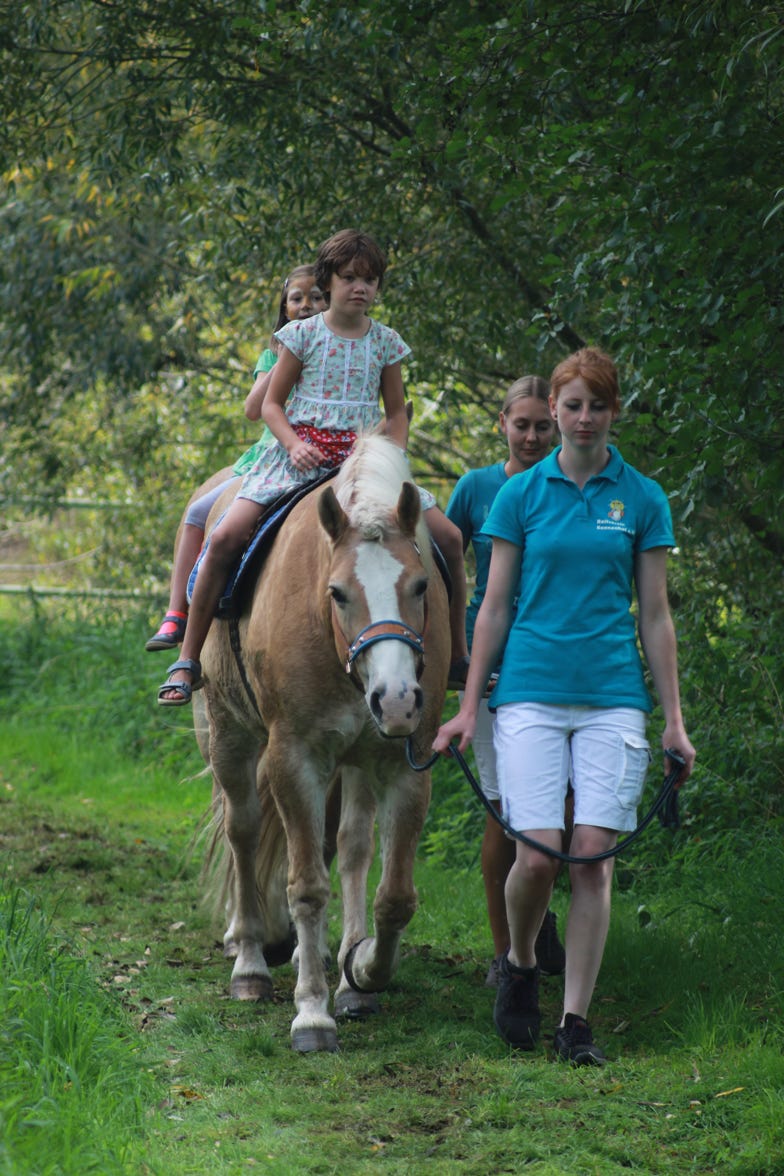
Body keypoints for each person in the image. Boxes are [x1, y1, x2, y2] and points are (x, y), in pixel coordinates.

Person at [433, 347, 696, 1065]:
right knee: (538, 856)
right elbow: (493, 607)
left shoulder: (641, 498)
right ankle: (520, 963)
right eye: (573, 406)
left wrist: (673, 719)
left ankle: (574, 1021)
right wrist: (464, 705)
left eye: (598, 406)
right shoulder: (519, 497)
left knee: (592, 860)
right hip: (528, 695)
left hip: (612, 695)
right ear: (553, 410)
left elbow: (655, 615)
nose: (584, 419)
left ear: (615, 412)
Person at [158, 228, 468, 705]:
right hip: (296, 460)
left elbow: (397, 412)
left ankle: (457, 658)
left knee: (447, 536)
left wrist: (394, 458)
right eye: (349, 278)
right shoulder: (301, 335)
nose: (360, 288)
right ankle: (188, 655)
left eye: (370, 280)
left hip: (361, 464)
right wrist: (294, 444)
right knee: (223, 535)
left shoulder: (386, 343)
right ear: (329, 281)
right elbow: (271, 405)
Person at [445, 376, 566, 986]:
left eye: (542, 425)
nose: (532, 436)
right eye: (522, 424)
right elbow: (440, 564)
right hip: (493, 663)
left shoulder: (570, 489)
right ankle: (505, 951)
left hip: (560, 660)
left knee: (563, 806)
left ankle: (536, 910)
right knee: (505, 807)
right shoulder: (476, 488)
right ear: (502, 424)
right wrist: (451, 648)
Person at [146, 265, 326, 651]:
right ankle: (176, 611)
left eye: (316, 297)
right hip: (268, 457)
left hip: (316, 456)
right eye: (297, 298)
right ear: (284, 307)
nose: (307, 306)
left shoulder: (336, 352)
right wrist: (283, 357)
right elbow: (252, 409)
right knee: (198, 513)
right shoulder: (272, 354)